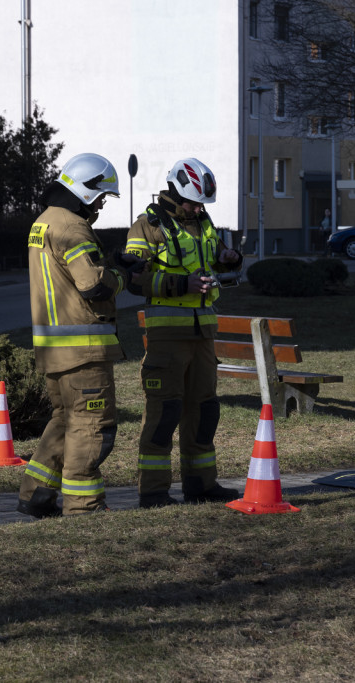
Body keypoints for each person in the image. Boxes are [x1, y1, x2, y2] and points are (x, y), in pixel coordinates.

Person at [124, 158, 243, 508]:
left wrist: (230, 258)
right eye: (192, 202)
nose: (197, 208)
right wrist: (182, 283)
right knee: (164, 415)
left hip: (203, 335)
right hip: (167, 339)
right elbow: (135, 278)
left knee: (204, 412)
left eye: (201, 203)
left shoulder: (202, 222)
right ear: (175, 191)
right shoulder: (146, 225)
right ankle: (155, 492)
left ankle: (202, 485)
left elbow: (213, 260)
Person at [17, 153, 130, 517]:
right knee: (93, 426)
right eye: (100, 197)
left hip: (52, 350)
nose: (100, 205)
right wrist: (122, 277)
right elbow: (93, 284)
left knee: (64, 422)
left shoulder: (44, 222)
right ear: (85, 189)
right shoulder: (72, 226)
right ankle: (84, 505)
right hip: (84, 351)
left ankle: (35, 494)